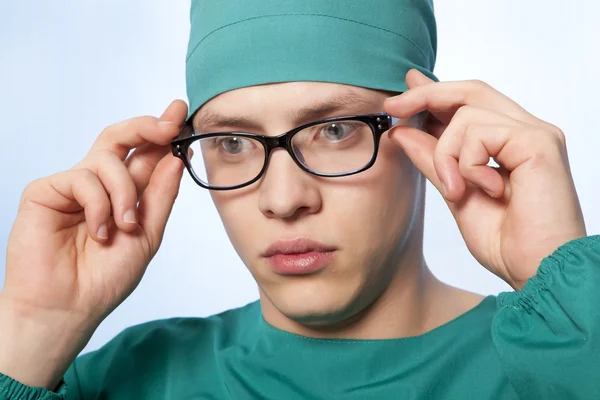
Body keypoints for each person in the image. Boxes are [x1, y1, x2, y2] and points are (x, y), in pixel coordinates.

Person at [0, 1, 598, 399]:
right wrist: (30, 330)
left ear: (432, 127)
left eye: (335, 130)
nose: (282, 200)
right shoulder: (116, 379)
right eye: (232, 142)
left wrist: (562, 278)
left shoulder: (556, 361)